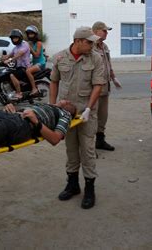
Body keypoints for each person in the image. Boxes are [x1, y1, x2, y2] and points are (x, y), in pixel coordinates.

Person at [50, 26, 106, 209]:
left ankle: (90, 189)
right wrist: (52, 107)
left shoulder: (96, 58)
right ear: (78, 41)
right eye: (89, 42)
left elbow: (98, 85)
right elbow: (54, 81)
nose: (92, 44)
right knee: (71, 149)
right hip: (66, 113)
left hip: (86, 114)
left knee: (88, 151)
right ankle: (72, 185)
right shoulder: (60, 57)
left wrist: (89, 108)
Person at [91, 21, 122, 151]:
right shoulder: (90, 46)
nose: (106, 33)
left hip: (105, 87)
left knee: (103, 116)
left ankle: (100, 140)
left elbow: (108, 63)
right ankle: (89, 146)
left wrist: (114, 78)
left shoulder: (104, 46)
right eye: (104, 30)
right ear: (96, 31)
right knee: (92, 116)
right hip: (93, 88)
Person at [3, 29, 31, 100]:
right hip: (18, 67)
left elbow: (19, 54)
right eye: (13, 38)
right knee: (6, 74)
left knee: (12, 75)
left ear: (20, 38)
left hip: (25, 68)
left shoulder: (25, 44)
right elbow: (9, 55)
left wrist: (9, 60)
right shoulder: (15, 48)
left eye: (16, 38)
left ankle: (19, 93)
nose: (14, 40)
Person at [25, 25, 47, 96]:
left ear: (35, 34)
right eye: (29, 34)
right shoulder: (32, 43)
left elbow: (37, 55)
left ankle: (34, 89)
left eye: (32, 34)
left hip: (41, 63)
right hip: (35, 63)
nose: (30, 35)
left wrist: (30, 48)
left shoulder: (38, 43)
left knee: (28, 71)